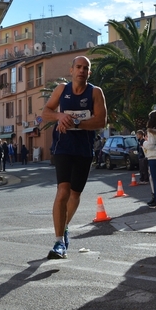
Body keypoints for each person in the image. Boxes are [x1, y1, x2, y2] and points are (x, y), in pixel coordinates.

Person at [42, 56, 107, 259]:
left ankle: (65, 226)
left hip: (84, 149)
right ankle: (59, 242)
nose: (82, 70)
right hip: (63, 146)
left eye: (85, 68)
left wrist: (76, 124)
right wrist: (60, 116)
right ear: (71, 70)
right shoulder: (62, 89)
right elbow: (45, 112)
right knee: (63, 191)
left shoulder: (95, 92)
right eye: (78, 67)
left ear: (90, 72)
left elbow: (101, 121)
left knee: (75, 194)